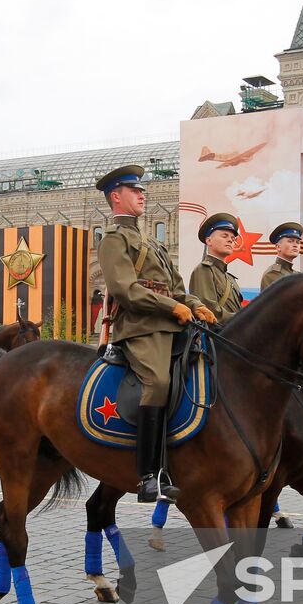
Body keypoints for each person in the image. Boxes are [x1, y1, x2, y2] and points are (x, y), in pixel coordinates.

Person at [95, 164, 211, 502]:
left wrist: (195, 304)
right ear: (116, 197)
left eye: (142, 190)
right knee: (158, 382)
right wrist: (172, 307)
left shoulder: (151, 243)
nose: (142, 194)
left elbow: (175, 287)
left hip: (172, 323)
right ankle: (148, 474)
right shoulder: (113, 240)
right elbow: (126, 290)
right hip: (140, 327)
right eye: (135, 191)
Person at [188, 213, 243, 325]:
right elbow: (210, 312)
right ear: (209, 241)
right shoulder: (204, 270)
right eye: (224, 236)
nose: (230, 240)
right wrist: (243, 319)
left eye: (233, 238)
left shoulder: (230, 278)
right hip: (216, 339)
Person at [260, 222, 303, 292]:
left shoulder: (297, 275)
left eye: (298, 242)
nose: (295, 245)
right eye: (290, 241)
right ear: (278, 247)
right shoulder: (272, 274)